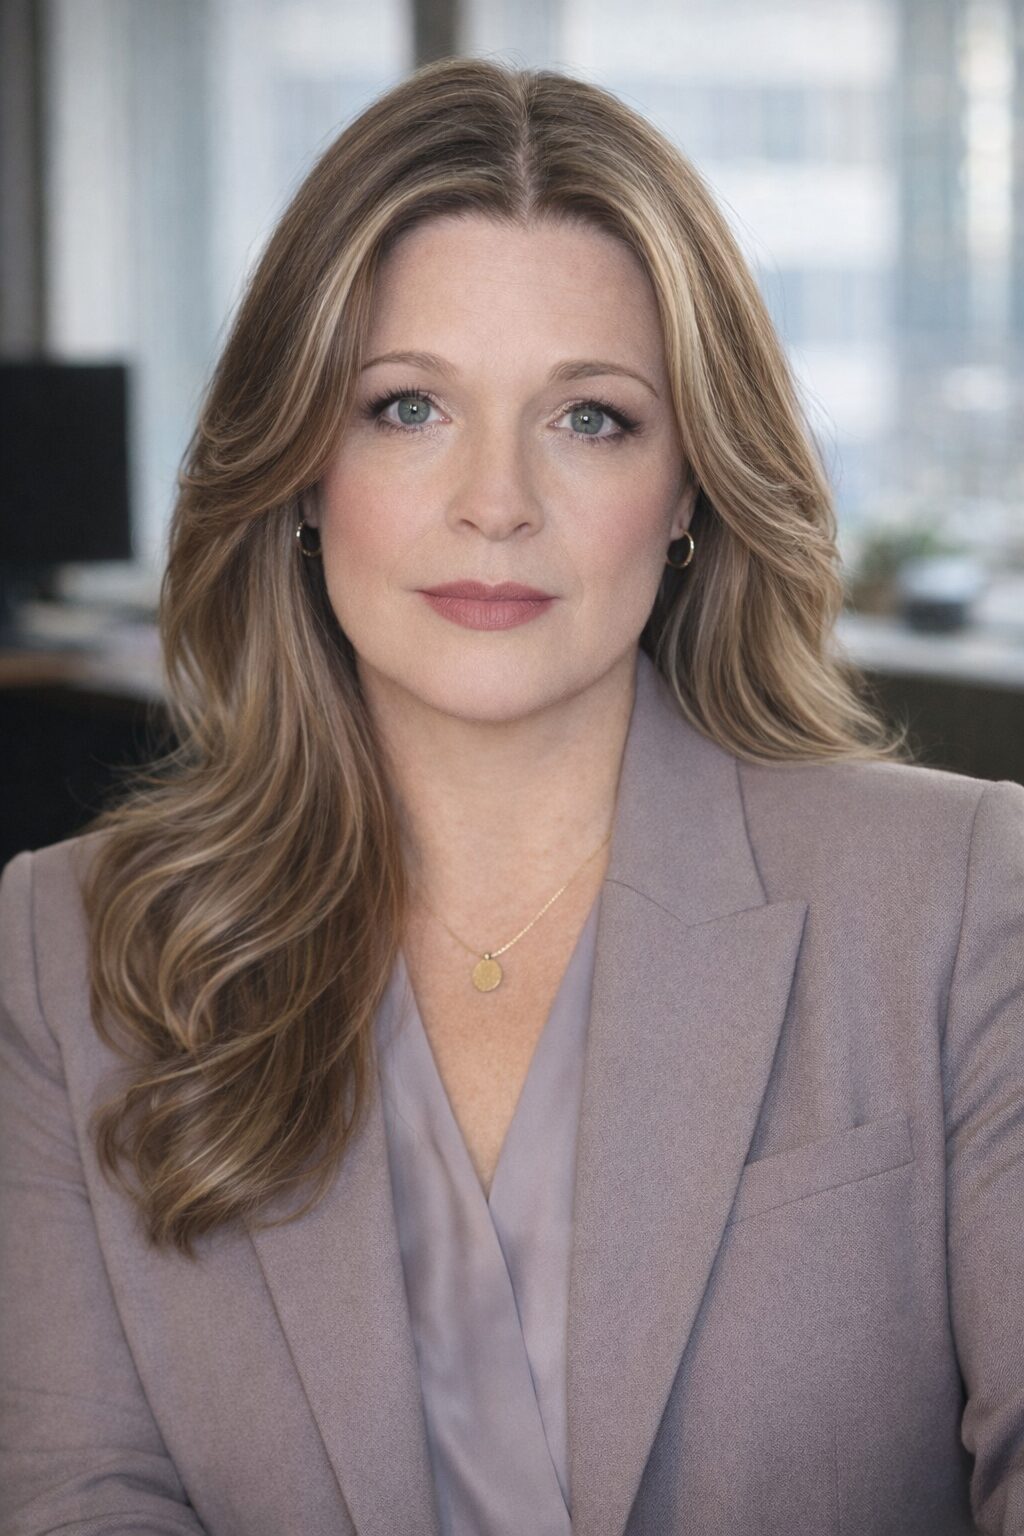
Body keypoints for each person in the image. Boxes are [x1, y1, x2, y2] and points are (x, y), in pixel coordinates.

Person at [1, 53, 1021, 1536]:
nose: (496, 501)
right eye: (407, 408)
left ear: (687, 489)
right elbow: (76, 1497)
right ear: (297, 465)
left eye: (590, 416)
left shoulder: (957, 896)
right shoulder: (59, 948)